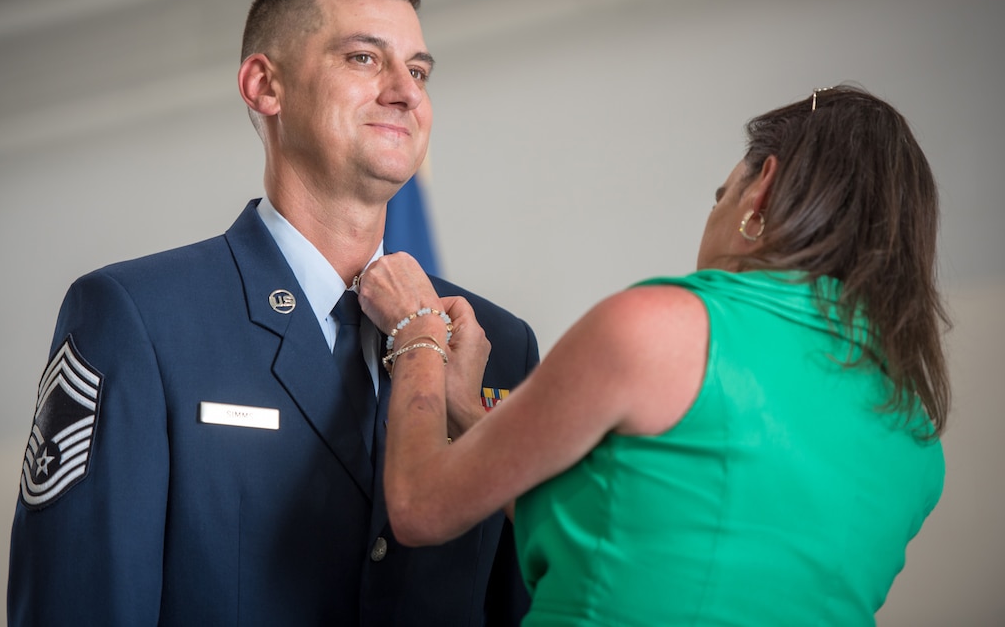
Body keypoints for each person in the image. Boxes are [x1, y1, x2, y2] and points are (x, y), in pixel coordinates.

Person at [7, 0, 539, 626]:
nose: (407, 92)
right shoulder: (139, 318)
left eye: (420, 71)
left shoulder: (497, 344)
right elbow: (80, 605)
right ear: (265, 85)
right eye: (364, 59)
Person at [357, 84, 949, 626]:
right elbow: (617, 533)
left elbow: (418, 507)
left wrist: (416, 330)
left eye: (722, 195)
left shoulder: (664, 328)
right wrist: (464, 408)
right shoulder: (915, 433)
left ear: (761, 188)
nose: (712, 215)